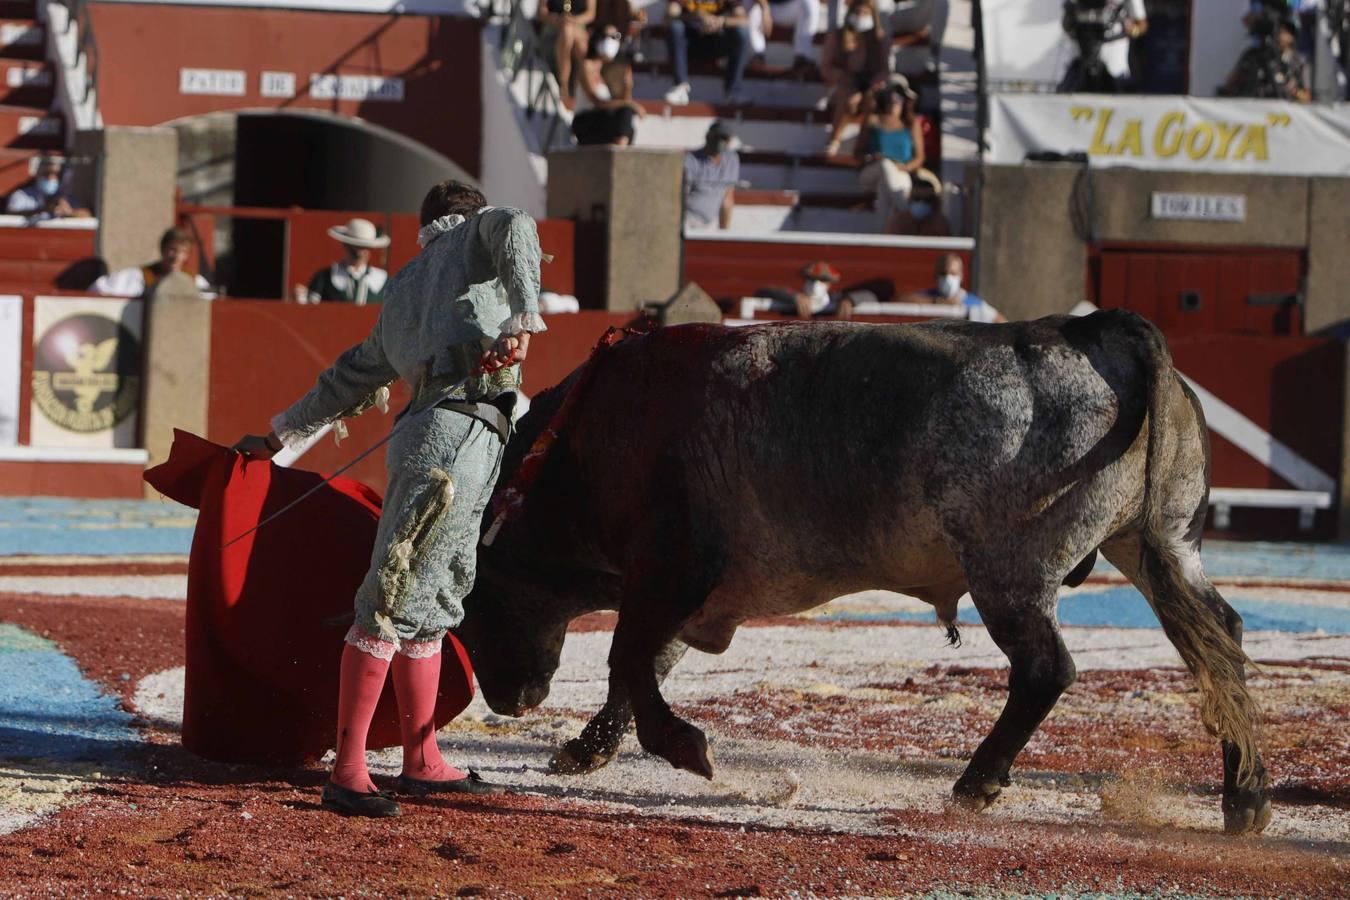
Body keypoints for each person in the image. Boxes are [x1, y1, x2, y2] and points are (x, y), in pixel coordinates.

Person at [232, 180, 547, 818]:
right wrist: (522, 316)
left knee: (430, 596)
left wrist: (277, 435)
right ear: (467, 216)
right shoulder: (476, 238)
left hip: (439, 434)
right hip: (457, 437)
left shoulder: (403, 286)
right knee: (397, 594)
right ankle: (349, 770)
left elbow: (350, 375)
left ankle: (421, 758)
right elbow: (515, 224)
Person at [855, 78, 926, 229]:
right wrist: (871, 157)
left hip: (900, 173)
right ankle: (907, 212)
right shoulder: (873, 120)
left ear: (905, 101)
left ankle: (881, 236)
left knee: (884, 188)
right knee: (885, 165)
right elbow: (858, 153)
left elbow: (919, 157)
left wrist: (905, 167)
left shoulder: (911, 124)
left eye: (898, 98)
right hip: (872, 172)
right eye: (890, 97)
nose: (894, 102)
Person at [821, 0, 889, 157]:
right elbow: (826, 67)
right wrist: (842, 76)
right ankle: (834, 140)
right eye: (857, 13)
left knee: (871, 102)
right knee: (850, 98)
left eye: (865, 14)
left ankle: (861, 148)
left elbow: (884, 70)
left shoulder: (879, 40)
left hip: (869, 88)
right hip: (842, 88)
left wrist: (874, 84)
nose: (860, 17)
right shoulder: (838, 36)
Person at [663, 0, 752, 106]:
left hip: (716, 41)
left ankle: (733, 91)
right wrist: (698, 16)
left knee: (742, 32)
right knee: (675, 27)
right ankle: (680, 87)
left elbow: (744, 20)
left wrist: (721, 21)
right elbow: (669, 17)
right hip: (689, 43)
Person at [571, 25, 645, 146]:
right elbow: (597, 102)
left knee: (628, 126)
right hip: (585, 121)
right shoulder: (586, 66)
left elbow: (620, 103)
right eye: (608, 36)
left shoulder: (610, 71)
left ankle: (618, 152)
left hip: (601, 120)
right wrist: (630, 104)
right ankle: (619, 154)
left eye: (616, 37)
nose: (612, 41)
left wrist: (627, 88)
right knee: (626, 110)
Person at [91, 227, 211, 298]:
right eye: (172, 250)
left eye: (183, 252)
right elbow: (98, 290)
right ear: (163, 249)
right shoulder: (137, 277)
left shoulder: (196, 281)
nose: (177, 257)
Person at [295, 218, 390, 306]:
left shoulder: (383, 282)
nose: (361, 252)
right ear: (345, 245)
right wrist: (301, 300)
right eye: (356, 246)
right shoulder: (324, 278)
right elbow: (311, 313)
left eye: (366, 247)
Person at [903, 253, 1004, 322]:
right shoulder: (929, 296)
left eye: (953, 273)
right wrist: (937, 301)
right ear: (935, 276)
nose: (947, 278)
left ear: (961, 276)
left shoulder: (971, 301)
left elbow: (1001, 322)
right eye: (943, 273)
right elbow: (900, 301)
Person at [683, 120, 740, 231]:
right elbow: (681, 195)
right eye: (718, 137)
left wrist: (724, 233)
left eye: (725, 139)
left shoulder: (731, 160)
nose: (721, 142)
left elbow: (727, 199)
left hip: (710, 225)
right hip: (687, 221)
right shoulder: (690, 159)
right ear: (708, 136)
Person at [539, 0, 595, 105]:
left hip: (577, 27)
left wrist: (573, 20)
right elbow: (542, 12)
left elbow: (590, 14)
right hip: (554, 27)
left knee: (579, 45)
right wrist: (558, 20)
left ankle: (574, 87)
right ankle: (565, 85)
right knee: (567, 32)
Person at [6, 155, 91, 221]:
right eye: (46, 174)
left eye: (55, 174)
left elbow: (87, 214)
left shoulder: (65, 197)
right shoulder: (21, 195)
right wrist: (42, 210)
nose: (51, 178)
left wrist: (70, 212)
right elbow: (10, 214)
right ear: (38, 174)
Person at [745, 0, 820, 69]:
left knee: (811, 2)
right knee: (754, 9)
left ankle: (802, 57)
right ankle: (757, 54)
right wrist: (765, 8)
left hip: (787, 8)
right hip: (763, 7)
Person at [888, 0, 950, 75]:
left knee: (940, 2)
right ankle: (934, 49)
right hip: (887, 11)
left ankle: (934, 49)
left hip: (901, 9)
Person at [884, 175, 950, 236]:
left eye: (926, 200)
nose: (921, 203)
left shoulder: (940, 224)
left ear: (934, 202)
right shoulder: (897, 222)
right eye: (917, 199)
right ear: (909, 200)